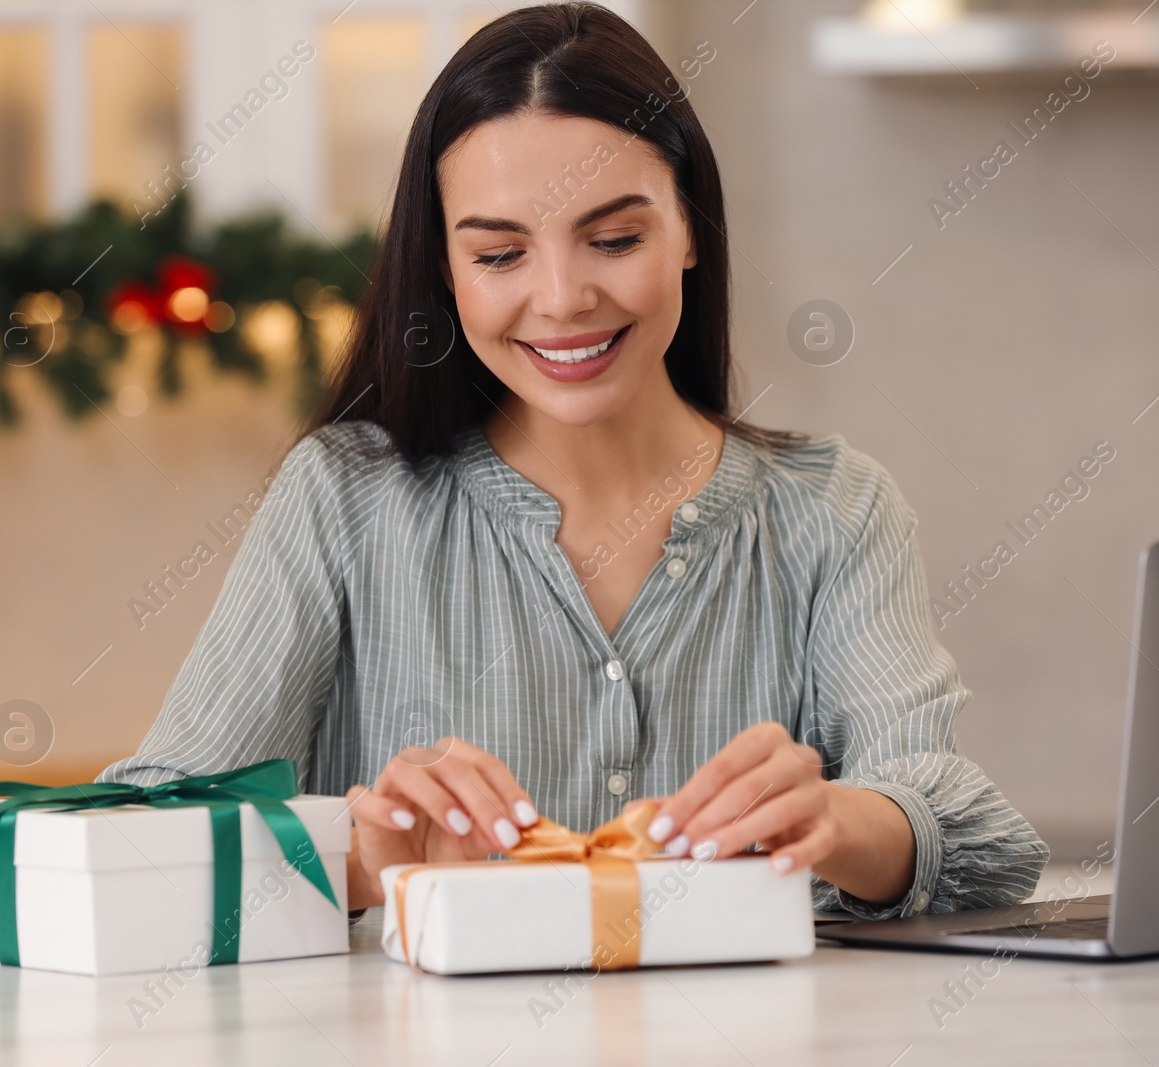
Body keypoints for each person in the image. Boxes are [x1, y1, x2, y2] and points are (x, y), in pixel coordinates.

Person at [99, 2, 1048, 921]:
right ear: (445, 272)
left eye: (615, 239)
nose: (561, 299)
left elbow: (979, 845)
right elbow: (138, 841)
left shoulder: (833, 510)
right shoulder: (344, 498)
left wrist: (837, 820)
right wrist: (360, 855)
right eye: (500, 255)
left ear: (689, 229)